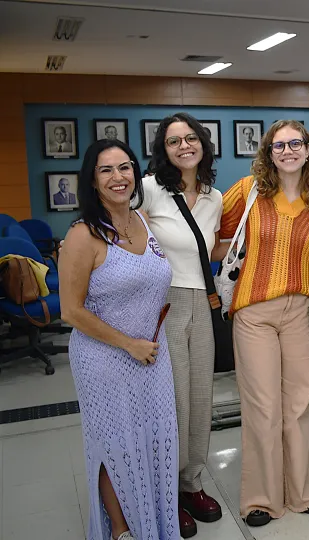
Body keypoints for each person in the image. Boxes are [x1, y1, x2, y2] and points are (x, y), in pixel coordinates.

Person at [219, 120, 309, 528]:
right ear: (268, 152)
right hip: (253, 311)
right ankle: (261, 498)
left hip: (301, 311)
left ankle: (302, 491)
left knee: (298, 404)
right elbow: (211, 233)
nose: (288, 151)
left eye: (296, 143)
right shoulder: (248, 191)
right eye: (279, 145)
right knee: (263, 406)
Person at [59, 139, 179, 540]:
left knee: (153, 440)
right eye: (106, 170)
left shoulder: (142, 220)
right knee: (116, 446)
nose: (118, 177)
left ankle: (156, 523)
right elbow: (71, 311)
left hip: (152, 355)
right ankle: (122, 530)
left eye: (125, 167)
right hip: (106, 360)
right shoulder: (82, 235)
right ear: (92, 181)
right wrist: (129, 343)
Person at [141, 112, 224, 538]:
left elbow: (207, 249)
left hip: (201, 303)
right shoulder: (150, 189)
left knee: (199, 398)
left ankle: (191, 482)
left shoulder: (214, 196)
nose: (184, 147)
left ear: (203, 144)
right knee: (172, 402)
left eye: (191, 139)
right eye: (174, 141)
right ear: (164, 149)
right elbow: (124, 236)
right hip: (163, 301)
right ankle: (165, 489)